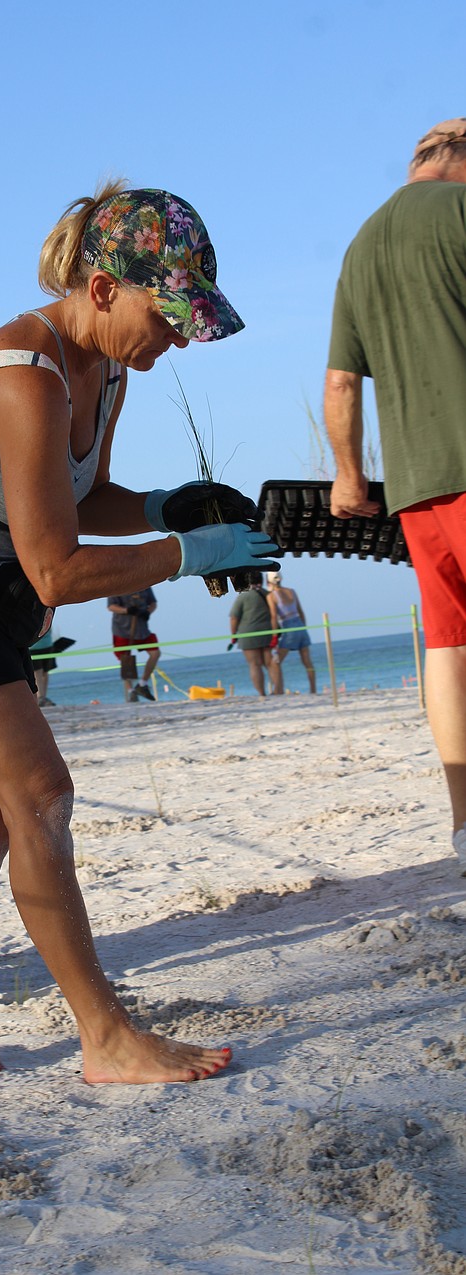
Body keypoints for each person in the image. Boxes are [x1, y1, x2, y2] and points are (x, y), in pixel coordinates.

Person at [0, 182, 279, 1084]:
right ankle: (104, 1033)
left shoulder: (106, 367)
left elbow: (79, 500)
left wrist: (163, 506)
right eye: (170, 314)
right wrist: (188, 552)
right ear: (105, 287)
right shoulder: (18, 378)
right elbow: (59, 572)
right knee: (41, 794)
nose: (180, 338)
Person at [324, 117, 466, 876]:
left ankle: (463, 824)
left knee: (448, 650)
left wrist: (349, 477)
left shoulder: (362, 244)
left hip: (415, 492)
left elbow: (342, 381)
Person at [228, 573, 283, 696]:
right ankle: (277, 691)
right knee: (270, 663)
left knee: (254, 665)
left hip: (248, 635)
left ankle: (262, 693)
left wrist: (233, 634)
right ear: (262, 580)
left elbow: (233, 618)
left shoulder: (243, 596)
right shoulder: (268, 594)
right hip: (268, 632)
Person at [266, 571, 316, 694]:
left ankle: (277, 690)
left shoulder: (271, 596)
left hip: (288, 626)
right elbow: (301, 612)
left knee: (275, 661)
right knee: (307, 660)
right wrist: (303, 628)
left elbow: (273, 616)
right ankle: (313, 689)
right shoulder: (291, 591)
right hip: (300, 625)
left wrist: (274, 636)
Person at [108, 589, 160, 701]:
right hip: (122, 629)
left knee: (155, 653)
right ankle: (131, 691)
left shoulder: (146, 584)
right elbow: (111, 606)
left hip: (141, 628)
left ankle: (142, 684)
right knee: (125, 660)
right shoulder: (117, 586)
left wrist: (148, 612)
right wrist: (127, 610)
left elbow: (153, 603)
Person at [29, 628, 75, 707]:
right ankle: (41, 697)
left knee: (43, 672)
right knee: (39, 672)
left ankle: (42, 697)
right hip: (36, 646)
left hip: (46, 644)